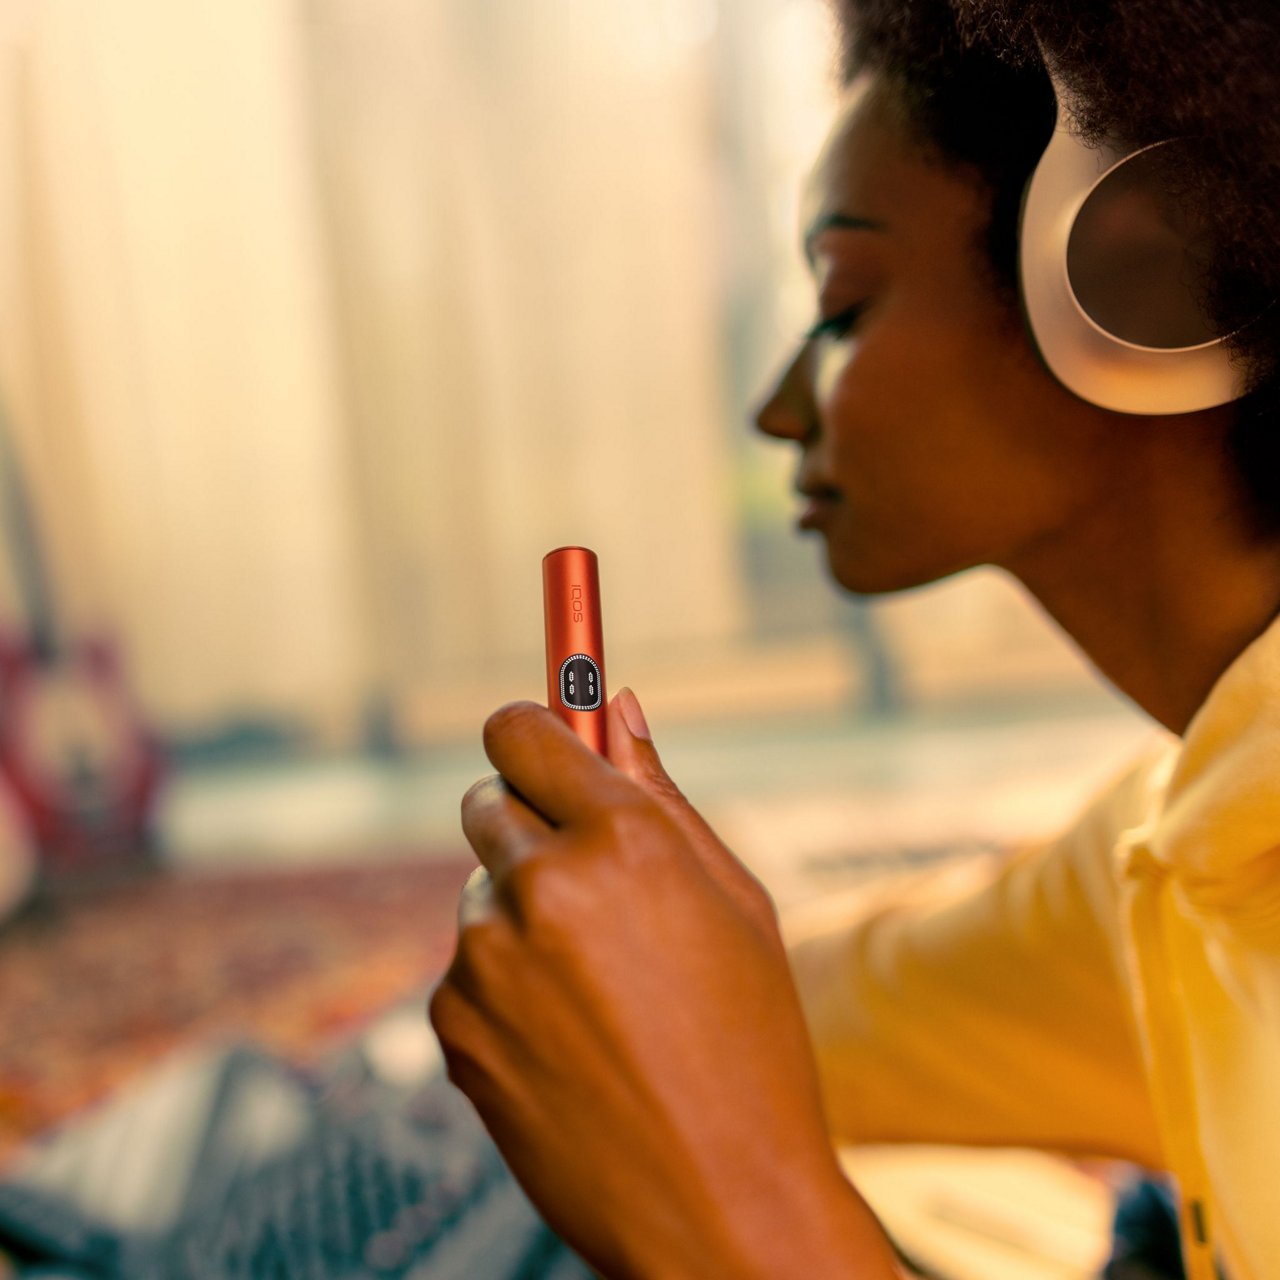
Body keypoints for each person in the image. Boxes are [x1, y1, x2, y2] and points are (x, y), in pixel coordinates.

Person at [427, 1, 1280, 1277]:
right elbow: (834, 999)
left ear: (1143, 275)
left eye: (839, 307)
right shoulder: (1187, 835)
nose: (780, 410)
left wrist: (740, 1213)